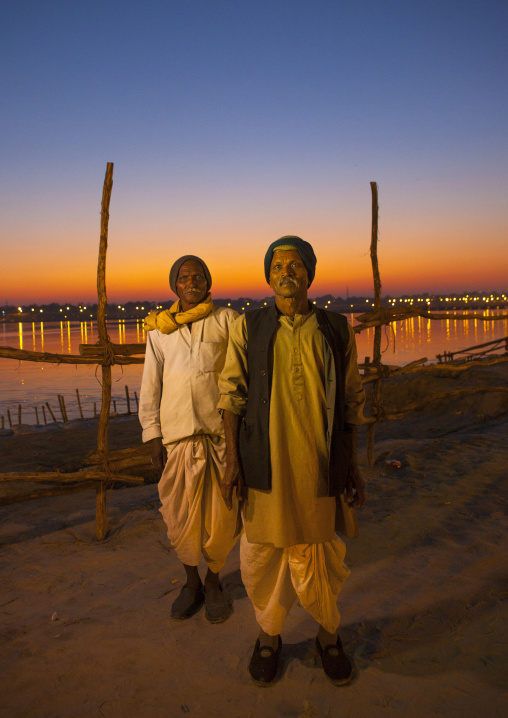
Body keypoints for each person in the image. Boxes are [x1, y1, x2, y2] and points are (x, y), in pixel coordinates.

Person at [218, 236, 366, 685]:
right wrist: (231, 461)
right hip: (265, 467)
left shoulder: (336, 329)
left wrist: (353, 464)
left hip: (320, 468)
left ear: (310, 274)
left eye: (296, 264)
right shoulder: (249, 326)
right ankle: (268, 637)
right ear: (268, 276)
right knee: (263, 555)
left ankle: (328, 635)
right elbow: (231, 397)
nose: (286, 272)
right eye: (277, 265)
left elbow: (350, 402)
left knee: (322, 553)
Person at [139, 255, 240, 624]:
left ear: (208, 281)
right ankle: (191, 583)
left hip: (220, 438)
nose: (191, 281)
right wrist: (153, 437)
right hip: (176, 439)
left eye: (198, 276)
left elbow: (240, 376)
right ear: (174, 285)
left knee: (222, 518)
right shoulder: (158, 330)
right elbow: (150, 387)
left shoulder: (228, 320)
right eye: (184, 277)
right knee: (179, 518)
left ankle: (214, 582)